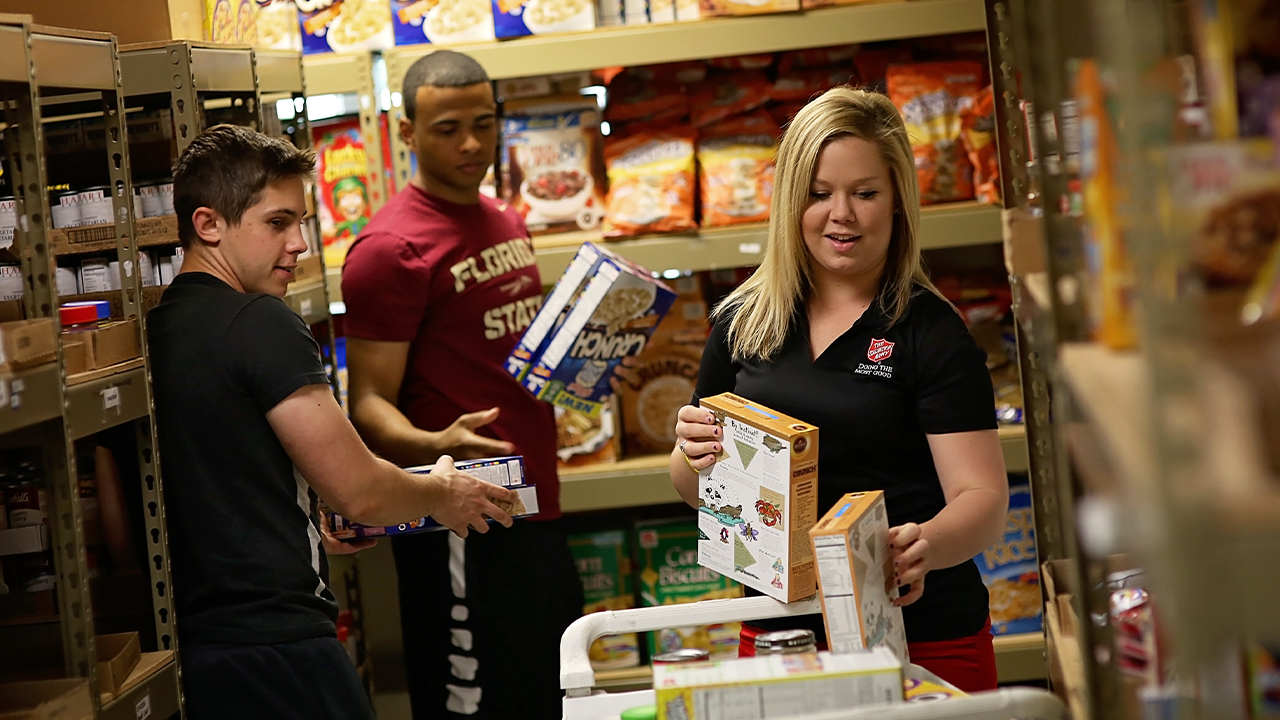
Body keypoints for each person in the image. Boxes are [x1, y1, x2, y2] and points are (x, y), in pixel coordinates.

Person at [148, 124, 518, 720]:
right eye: (277, 223)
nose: (299, 243)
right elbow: (363, 490)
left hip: (201, 647)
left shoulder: (162, 328)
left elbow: (213, 484)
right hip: (279, 645)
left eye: (302, 222)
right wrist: (441, 493)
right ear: (208, 224)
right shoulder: (260, 322)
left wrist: (299, 528)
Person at [669, 87, 1009, 692]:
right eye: (819, 194)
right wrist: (691, 452)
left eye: (865, 193)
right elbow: (700, 491)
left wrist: (925, 542)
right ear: (790, 202)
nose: (841, 214)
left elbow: (982, 499)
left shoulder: (930, 332)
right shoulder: (744, 320)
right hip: (781, 634)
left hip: (921, 635)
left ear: (899, 202)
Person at [342, 50, 581, 720]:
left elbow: (504, 352)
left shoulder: (503, 217)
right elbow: (365, 405)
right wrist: (434, 442)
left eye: (484, 122)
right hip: (461, 520)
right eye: (447, 128)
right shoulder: (389, 250)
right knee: (470, 706)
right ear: (408, 133)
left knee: (543, 695)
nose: (472, 142)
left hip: (535, 505)